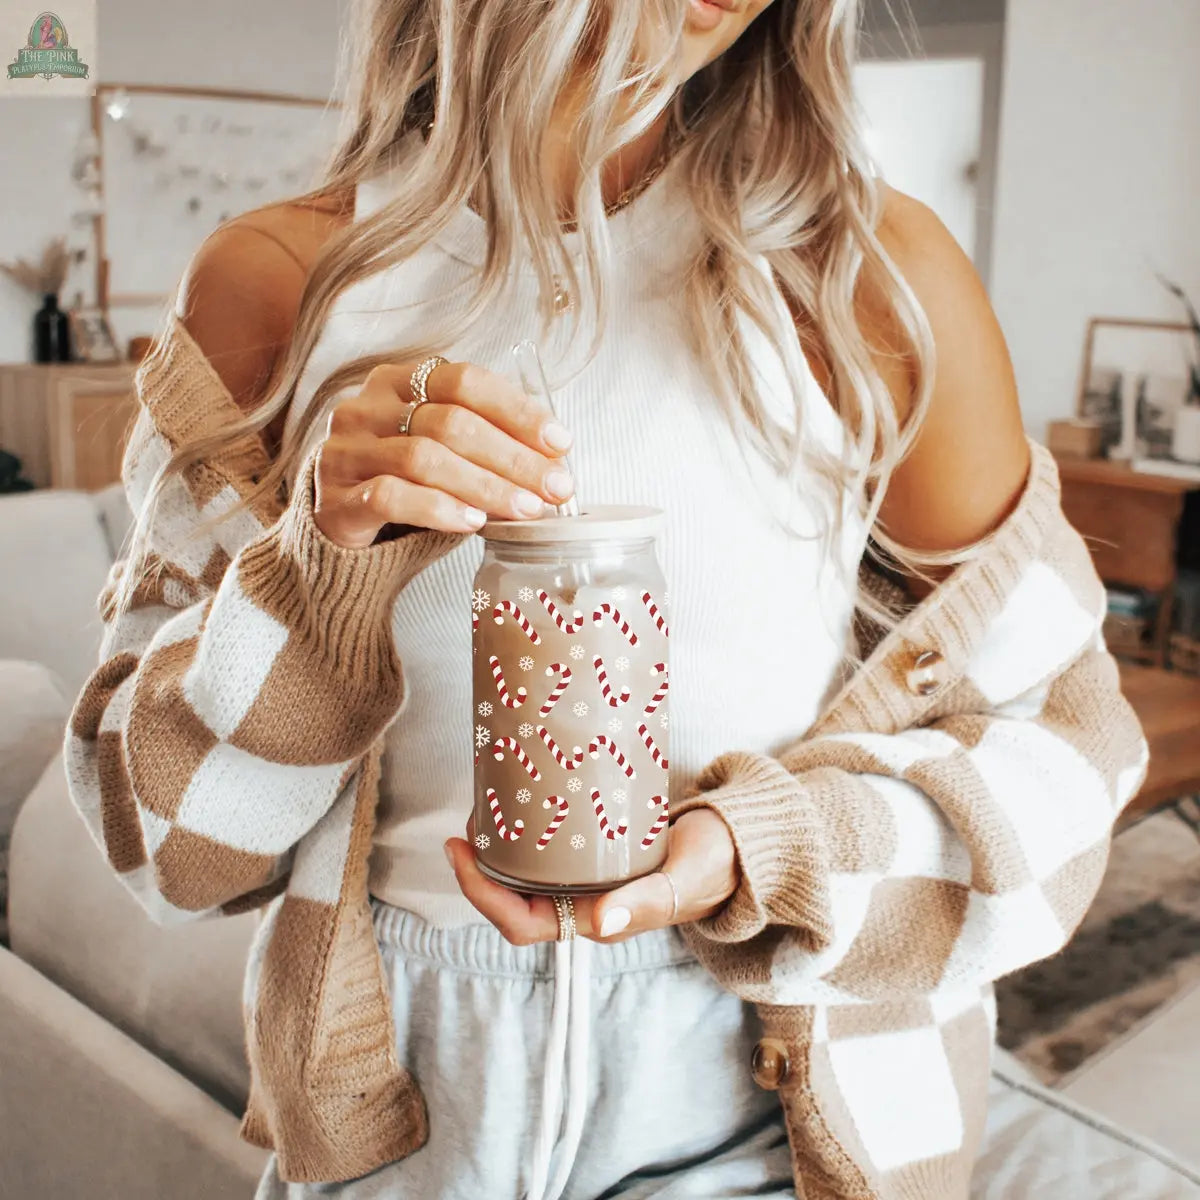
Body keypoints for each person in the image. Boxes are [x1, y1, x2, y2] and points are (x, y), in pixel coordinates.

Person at [63, 2, 1147, 1198]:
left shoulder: (866, 281)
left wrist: (765, 853)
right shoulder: (279, 285)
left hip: (774, 1111)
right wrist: (319, 564)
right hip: (406, 1126)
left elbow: (1071, 760)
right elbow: (162, 851)